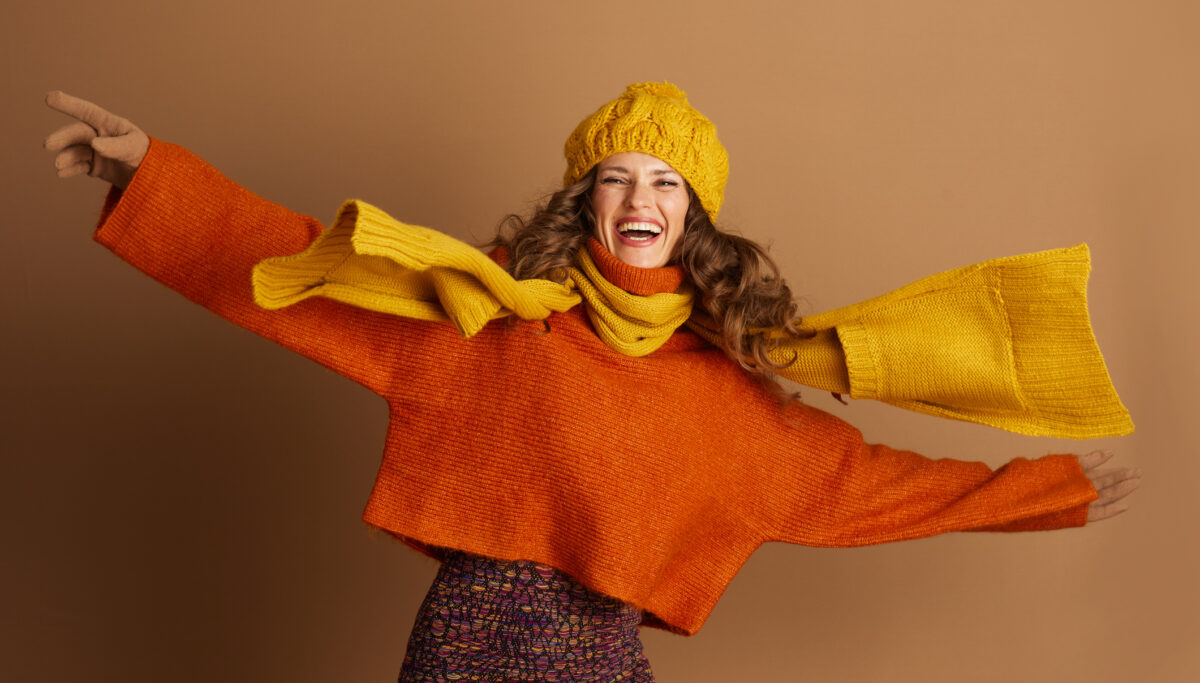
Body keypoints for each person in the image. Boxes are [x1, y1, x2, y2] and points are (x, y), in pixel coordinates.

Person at [45, 82, 1140, 682]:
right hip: (462, 652)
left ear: (693, 214)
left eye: (665, 179)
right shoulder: (490, 323)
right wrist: (153, 174)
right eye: (613, 175)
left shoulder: (731, 398)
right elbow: (297, 274)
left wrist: (1051, 487)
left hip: (598, 662)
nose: (638, 195)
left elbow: (877, 485)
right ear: (585, 200)